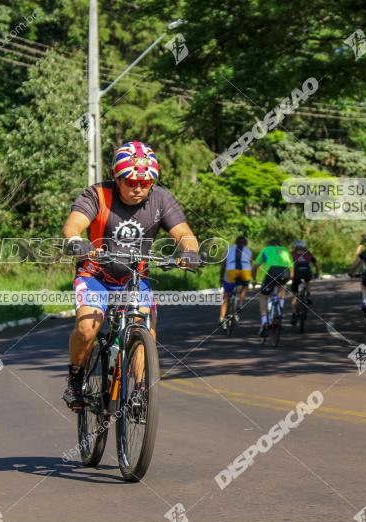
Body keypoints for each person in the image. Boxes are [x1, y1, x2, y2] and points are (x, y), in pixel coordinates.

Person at [61, 141, 201, 411]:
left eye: (145, 183)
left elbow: (184, 233)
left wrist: (190, 251)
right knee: (88, 326)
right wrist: (76, 240)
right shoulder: (97, 195)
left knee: (142, 325)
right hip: (95, 275)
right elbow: (73, 225)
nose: (138, 188)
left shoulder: (161, 199)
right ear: (117, 178)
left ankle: (139, 391)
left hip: (134, 278)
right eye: (131, 181)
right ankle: (76, 379)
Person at [252, 238, 293, 335]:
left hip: (272, 272)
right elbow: (291, 266)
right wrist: (290, 278)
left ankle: (264, 321)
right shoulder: (285, 250)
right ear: (278, 244)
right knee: (281, 286)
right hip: (285, 272)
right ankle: (279, 313)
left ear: (269, 244)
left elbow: (255, 267)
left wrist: (253, 279)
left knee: (263, 296)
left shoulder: (265, 250)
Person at [219, 235, 252, 329]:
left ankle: (221, 318)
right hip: (245, 272)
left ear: (235, 242)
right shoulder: (248, 251)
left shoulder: (229, 249)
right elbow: (250, 264)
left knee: (226, 295)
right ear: (246, 243)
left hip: (231, 271)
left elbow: (223, 264)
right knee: (245, 286)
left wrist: (221, 278)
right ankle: (240, 304)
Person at [289, 239, 319, 325]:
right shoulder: (308, 254)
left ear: (295, 246)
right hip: (307, 274)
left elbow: (288, 264)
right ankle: (308, 295)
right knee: (308, 280)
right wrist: (317, 273)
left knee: (293, 294)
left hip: (296, 276)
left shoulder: (292, 254)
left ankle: (294, 314)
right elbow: (316, 263)